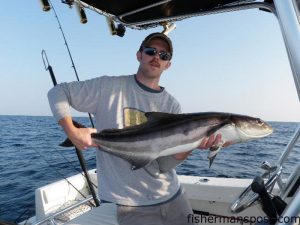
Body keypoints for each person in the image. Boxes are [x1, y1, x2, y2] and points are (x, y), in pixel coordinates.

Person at [48, 32, 224, 225]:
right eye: (151, 51)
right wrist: (71, 131)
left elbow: (163, 165)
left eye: (164, 55)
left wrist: (192, 144)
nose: (157, 57)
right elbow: (58, 92)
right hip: (127, 203)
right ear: (139, 55)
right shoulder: (108, 87)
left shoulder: (172, 106)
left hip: (172, 195)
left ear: (168, 64)